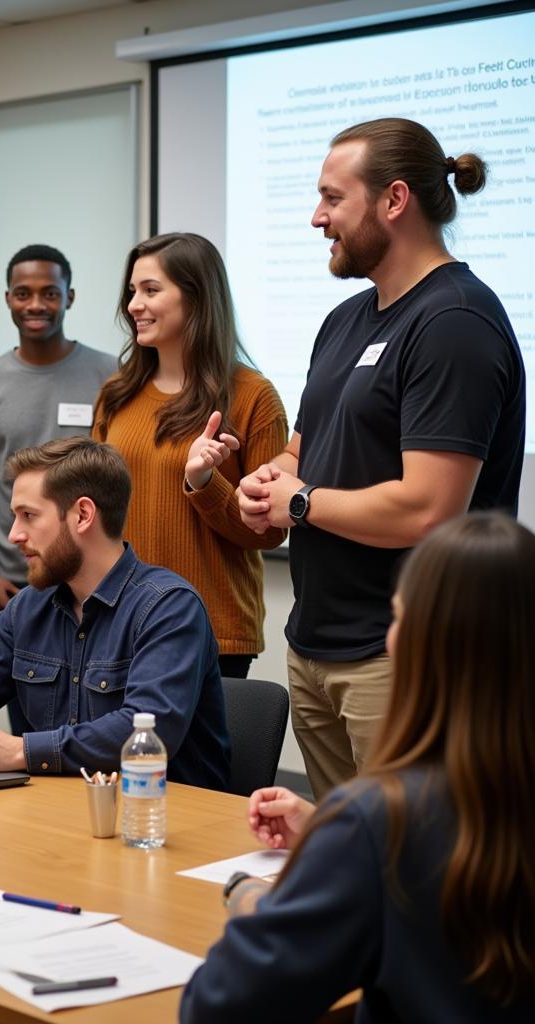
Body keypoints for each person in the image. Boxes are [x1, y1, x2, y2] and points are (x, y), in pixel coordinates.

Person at [237, 117, 525, 799]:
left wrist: (300, 502)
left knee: (414, 869)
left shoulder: (456, 322)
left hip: (402, 656)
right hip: (313, 645)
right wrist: (268, 478)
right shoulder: (345, 320)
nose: (317, 217)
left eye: (334, 199)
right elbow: (302, 453)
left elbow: (429, 510)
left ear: (395, 200)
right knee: (350, 861)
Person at [181, 512, 535, 1022]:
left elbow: (217, 1007)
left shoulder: (383, 821)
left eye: (397, 617)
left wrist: (252, 899)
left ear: (416, 643)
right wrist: (331, 834)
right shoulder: (381, 822)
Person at [0, 436, 230, 789]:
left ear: (83, 515)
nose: (13, 535)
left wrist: (19, 751)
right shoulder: (31, 605)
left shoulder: (169, 607)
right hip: (57, 810)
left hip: (164, 821)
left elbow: (146, 731)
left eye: (28, 516)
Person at [95, 233, 287, 679]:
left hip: (211, 631)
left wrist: (205, 483)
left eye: (151, 290)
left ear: (197, 297)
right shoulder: (116, 394)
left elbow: (268, 534)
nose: (133, 306)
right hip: (119, 625)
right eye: (132, 292)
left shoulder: (253, 397)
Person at [0, 244, 117, 623]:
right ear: (8, 298)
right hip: (13, 580)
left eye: (50, 293)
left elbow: (117, 478)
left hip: (92, 577)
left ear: (69, 298)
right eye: (23, 293)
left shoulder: (111, 375)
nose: (35, 305)